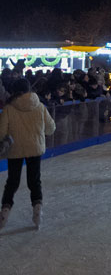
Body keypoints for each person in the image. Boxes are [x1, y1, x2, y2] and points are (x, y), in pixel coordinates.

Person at [0, 79, 56, 230]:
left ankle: (4, 212)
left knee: (12, 181)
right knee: (35, 180)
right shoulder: (40, 107)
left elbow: (1, 132)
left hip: (15, 149)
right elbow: (51, 128)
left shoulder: (9, 109)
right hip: (35, 148)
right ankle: (37, 209)